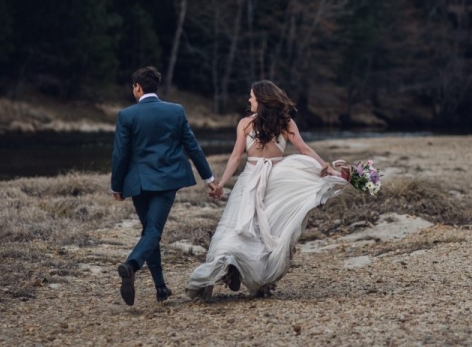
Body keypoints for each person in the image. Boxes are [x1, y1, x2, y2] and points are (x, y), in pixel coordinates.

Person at [185, 80, 347, 300]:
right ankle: (255, 279)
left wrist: (221, 184)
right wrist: (326, 169)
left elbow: (235, 157)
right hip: (277, 180)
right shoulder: (286, 123)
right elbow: (304, 149)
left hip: (250, 179)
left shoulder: (245, 124)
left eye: (252, 96)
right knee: (267, 232)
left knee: (236, 227)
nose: (249, 100)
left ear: (261, 100)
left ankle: (225, 266)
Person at [111, 66, 216, 306]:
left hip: (139, 183)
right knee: (153, 231)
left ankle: (160, 287)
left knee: (150, 230)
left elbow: (120, 155)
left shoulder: (126, 115)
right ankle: (132, 265)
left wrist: (116, 187)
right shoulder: (175, 111)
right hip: (167, 180)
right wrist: (209, 179)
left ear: (137, 88)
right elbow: (193, 147)